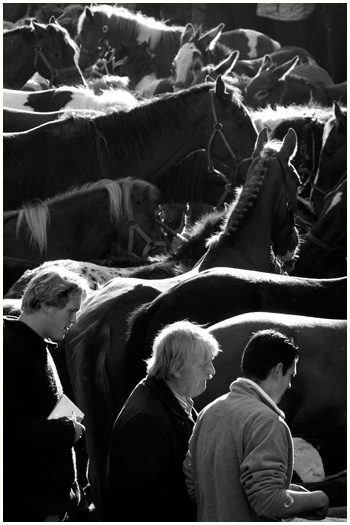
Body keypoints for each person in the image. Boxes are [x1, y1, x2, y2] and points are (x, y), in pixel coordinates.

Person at [183, 329, 329, 521]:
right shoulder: (268, 422)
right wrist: (319, 499)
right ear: (277, 370)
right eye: (290, 375)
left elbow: (195, 482)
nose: (289, 385)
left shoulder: (207, 412)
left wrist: (287, 490)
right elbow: (267, 502)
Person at [105, 320, 221, 521]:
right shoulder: (145, 419)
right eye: (204, 365)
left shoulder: (173, 397)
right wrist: (211, 502)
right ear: (176, 368)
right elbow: (152, 499)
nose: (212, 371)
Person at [3, 267, 90, 522]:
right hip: (29, 505)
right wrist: (65, 432)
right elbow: (7, 428)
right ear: (45, 305)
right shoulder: (12, 351)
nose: (74, 320)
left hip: (46, 499)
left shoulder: (37, 344)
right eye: (71, 311)